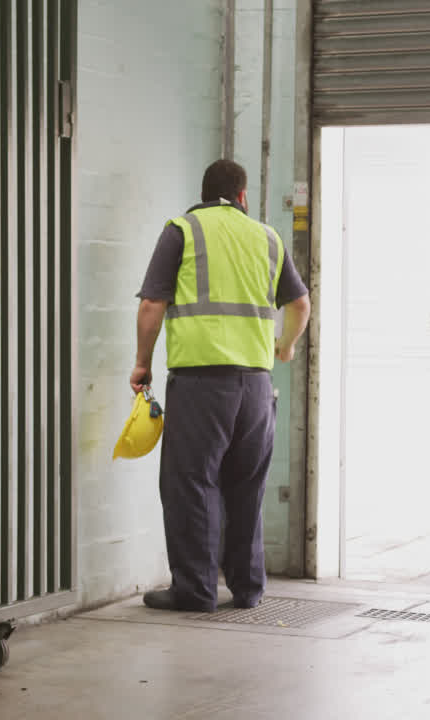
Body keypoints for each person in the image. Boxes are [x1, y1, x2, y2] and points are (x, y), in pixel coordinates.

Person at [130, 159, 311, 612]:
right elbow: (300, 305)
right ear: (242, 195)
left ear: (204, 193)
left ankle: (196, 590)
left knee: (192, 484)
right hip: (256, 388)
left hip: (201, 385)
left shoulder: (183, 230)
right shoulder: (267, 237)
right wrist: (285, 346)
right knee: (246, 486)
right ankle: (248, 589)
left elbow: (152, 304)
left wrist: (142, 364)